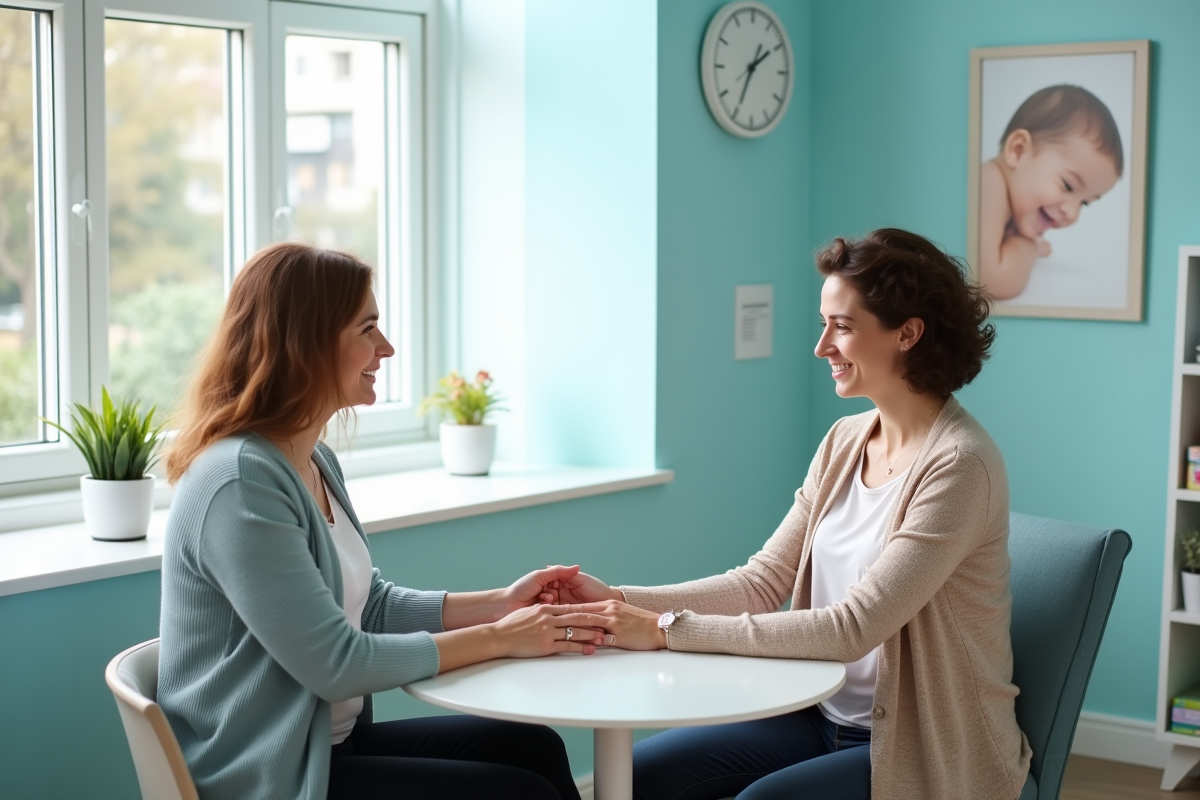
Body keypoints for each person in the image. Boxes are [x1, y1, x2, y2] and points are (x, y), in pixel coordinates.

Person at [546, 229, 1032, 800]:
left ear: (908, 333)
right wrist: (618, 602)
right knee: (638, 776)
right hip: (817, 716)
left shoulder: (960, 465)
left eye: (842, 326)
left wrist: (662, 630)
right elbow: (762, 581)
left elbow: (852, 628)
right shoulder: (845, 440)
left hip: (921, 745)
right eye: (823, 324)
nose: (822, 346)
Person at [158, 242, 600, 800]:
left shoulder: (314, 461)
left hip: (331, 746)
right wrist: (501, 638)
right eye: (367, 329)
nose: (386, 348)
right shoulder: (239, 481)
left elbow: (367, 607)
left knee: (533, 748)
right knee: (517, 792)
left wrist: (499, 605)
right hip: (270, 772)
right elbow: (336, 664)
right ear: (305, 344)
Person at [979, 84, 1123, 300]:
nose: (1072, 213)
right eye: (1068, 186)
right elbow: (990, 283)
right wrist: (1029, 248)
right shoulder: (988, 182)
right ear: (1018, 151)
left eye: (1084, 203)